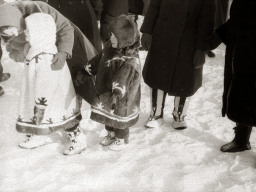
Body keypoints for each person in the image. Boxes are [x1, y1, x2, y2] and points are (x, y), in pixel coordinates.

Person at [0, 1, 97, 155]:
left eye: (17, 31)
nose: (18, 36)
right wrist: (27, 53)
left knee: (62, 104)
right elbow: (13, 51)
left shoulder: (38, 10)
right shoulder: (8, 30)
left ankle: (77, 137)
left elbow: (66, 28)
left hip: (59, 51)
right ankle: (40, 134)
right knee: (36, 105)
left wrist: (63, 53)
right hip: (38, 59)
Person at [140, 0, 216, 129]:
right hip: (162, 34)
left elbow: (206, 21)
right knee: (158, 74)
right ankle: (156, 113)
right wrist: (147, 31)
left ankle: (179, 114)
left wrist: (201, 48)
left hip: (190, 41)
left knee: (185, 79)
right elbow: (154, 6)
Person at [76, 15, 141, 151]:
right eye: (111, 34)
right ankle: (111, 133)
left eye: (114, 36)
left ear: (124, 40)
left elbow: (123, 77)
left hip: (122, 96)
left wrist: (118, 91)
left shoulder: (130, 60)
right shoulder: (109, 50)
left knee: (120, 117)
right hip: (106, 91)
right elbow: (96, 61)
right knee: (108, 115)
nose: (110, 38)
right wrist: (85, 72)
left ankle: (121, 137)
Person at [208, 0, 256, 153]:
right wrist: (217, 37)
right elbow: (237, 20)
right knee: (243, 95)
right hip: (242, 53)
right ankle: (241, 140)